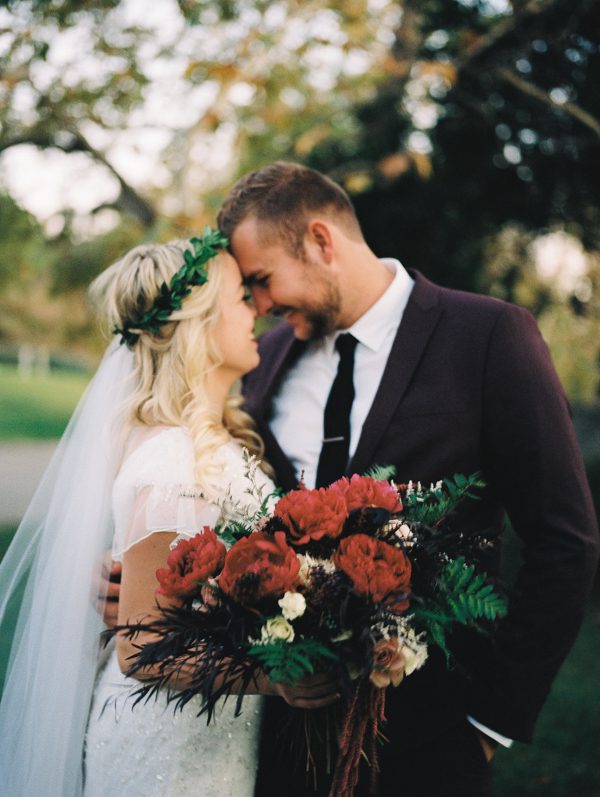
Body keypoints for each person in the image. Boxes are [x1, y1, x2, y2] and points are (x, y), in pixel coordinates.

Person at [213, 161, 600, 797]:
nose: (259, 306)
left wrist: (489, 724)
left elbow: (566, 541)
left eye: (261, 280)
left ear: (320, 241)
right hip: (283, 741)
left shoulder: (487, 336)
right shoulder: (268, 361)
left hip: (432, 743)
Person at [0, 233, 336, 797]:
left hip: (207, 731)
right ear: (198, 324)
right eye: (238, 298)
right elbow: (139, 647)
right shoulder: (172, 460)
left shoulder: (211, 441)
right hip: (166, 746)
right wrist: (274, 679)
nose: (255, 310)